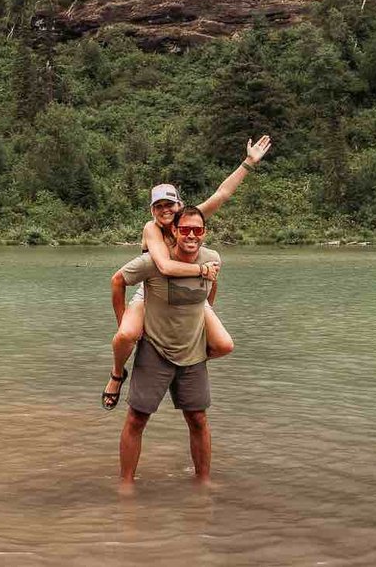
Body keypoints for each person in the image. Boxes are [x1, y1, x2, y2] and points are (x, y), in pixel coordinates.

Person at [101, 134, 271, 410]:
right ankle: (118, 373)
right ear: (153, 211)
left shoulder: (190, 220)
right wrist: (202, 269)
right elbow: (165, 267)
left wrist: (248, 163)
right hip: (152, 291)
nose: (165, 210)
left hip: (191, 293)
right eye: (159, 206)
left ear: (180, 205)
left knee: (224, 345)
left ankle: (185, 360)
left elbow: (222, 194)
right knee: (124, 336)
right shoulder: (151, 229)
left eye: (170, 204)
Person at [111, 204, 220, 490]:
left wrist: (206, 324)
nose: (192, 235)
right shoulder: (154, 262)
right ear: (174, 230)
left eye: (197, 230)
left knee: (198, 418)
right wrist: (123, 322)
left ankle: (203, 481)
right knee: (137, 417)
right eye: (185, 230)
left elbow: (212, 287)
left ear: (205, 233)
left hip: (193, 352)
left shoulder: (212, 259)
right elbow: (118, 280)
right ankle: (126, 484)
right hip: (155, 350)